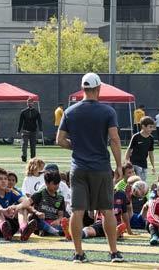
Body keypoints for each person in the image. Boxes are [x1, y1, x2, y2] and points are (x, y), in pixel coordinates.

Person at [57, 72, 124, 264]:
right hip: (101, 167)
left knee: (77, 211)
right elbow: (114, 139)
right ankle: (113, 253)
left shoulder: (70, 111)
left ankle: (78, 253)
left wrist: (76, 146)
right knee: (107, 210)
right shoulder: (107, 111)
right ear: (98, 88)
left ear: (83, 89)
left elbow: (60, 140)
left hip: (78, 167)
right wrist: (119, 165)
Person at [0, 167, 36, 241]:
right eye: (0, 179)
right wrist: (3, 210)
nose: (4, 181)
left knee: (22, 207)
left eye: (5, 179)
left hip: (11, 227)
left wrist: (16, 207)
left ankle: (24, 230)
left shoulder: (11, 192)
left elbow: (27, 201)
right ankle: (3, 227)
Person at [27, 169, 68, 236]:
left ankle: (49, 231)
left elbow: (61, 215)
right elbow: (27, 205)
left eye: (58, 183)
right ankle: (55, 232)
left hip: (53, 223)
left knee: (66, 220)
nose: (56, 186)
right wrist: (37, 212)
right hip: (41, 221)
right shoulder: (39, 194)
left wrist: (58, 220)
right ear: (46, 183)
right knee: (33, 218)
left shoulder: (60, 198)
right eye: (54, 184)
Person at [125, 116, 156, 180]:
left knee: (143, 182)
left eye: (152, 127)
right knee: (138, 182)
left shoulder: (151, 138)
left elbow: (151, 153)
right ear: (143, 126)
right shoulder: (136, 136)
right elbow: (129, 149)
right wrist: (126, 161)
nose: (152, 129)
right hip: (135, 163)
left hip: (144, 164)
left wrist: (153, 166)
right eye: (150, 127)